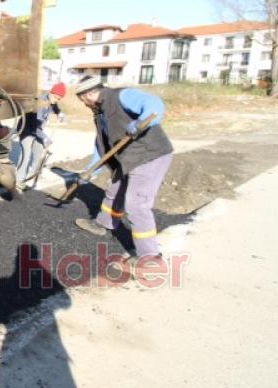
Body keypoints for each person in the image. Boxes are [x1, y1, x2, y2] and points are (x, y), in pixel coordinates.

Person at [72, 75, 173, 263]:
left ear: (88, 94)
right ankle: (104, 223)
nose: (83, 103)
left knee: (137, 205)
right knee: (115, 190)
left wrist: (141, 122)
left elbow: (154, 105)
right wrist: (91, 171)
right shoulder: (100, 111)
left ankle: (150, 257)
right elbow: (101, 145)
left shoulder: (121, 96)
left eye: (82, 99)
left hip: (149, 155)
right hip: (128, 158)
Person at [15, 81, 66, 190]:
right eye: (57, 97)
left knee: (38, 152)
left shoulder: (51, 100)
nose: (57, 100)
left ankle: (32, 177)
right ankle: (19, 180)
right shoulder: (40, 103)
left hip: (37, 130)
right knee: (26, 153)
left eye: (59, 99)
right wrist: (45, 138)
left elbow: (55, 106)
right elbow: (34, 127)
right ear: (51, 93)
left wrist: (59, 113)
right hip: (26, 129)